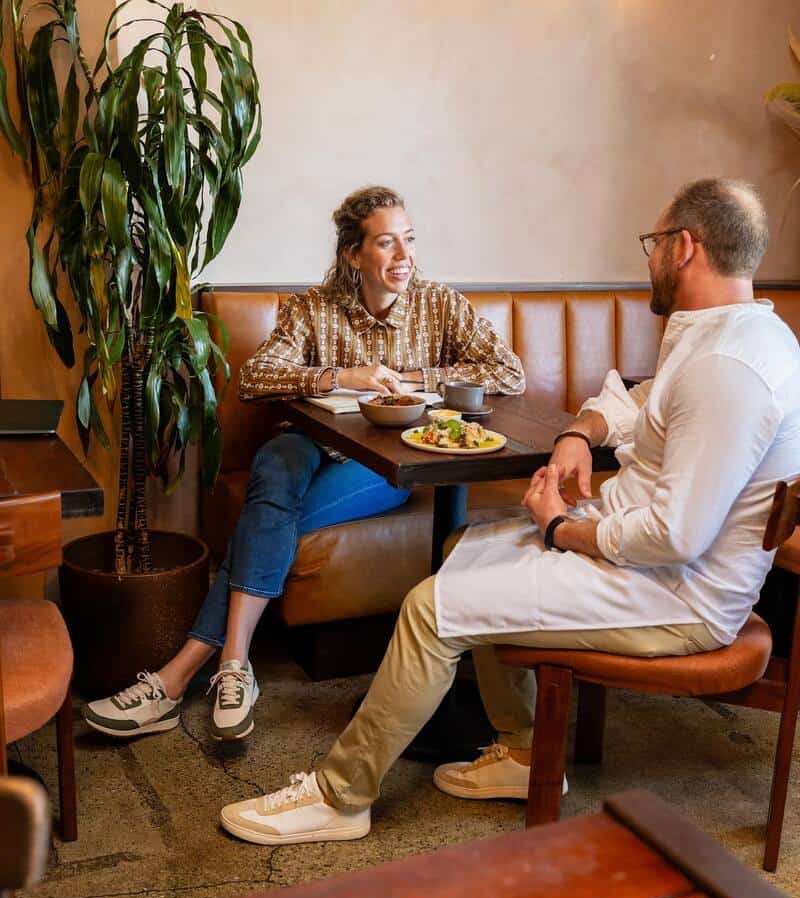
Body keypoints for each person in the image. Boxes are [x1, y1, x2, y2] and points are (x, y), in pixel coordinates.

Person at [219, 177, 800, 846]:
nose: (649, 256)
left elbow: (675, 536)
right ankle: (527, 755)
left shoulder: (729, 364)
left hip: (676, 598)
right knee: (462, 546)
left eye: (654, 242)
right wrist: (580, 432)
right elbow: (634, 401)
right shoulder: (724, 335)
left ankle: (340, 796)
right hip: (648, 567)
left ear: (686, 248)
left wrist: (560, 527)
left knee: (431, 608)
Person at [83, 185, 525, 742]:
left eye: (409, 241)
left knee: (267, 522)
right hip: (307, 443)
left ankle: (183, 676)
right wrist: (344, 377)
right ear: (353, 253)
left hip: (382, 461)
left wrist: (415, 380)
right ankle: (232, 668)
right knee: (275, 471)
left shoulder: (441, 304)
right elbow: (255, 378)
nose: (404, 256)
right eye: (386, 243)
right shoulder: (313, 308)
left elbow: (510, 373)